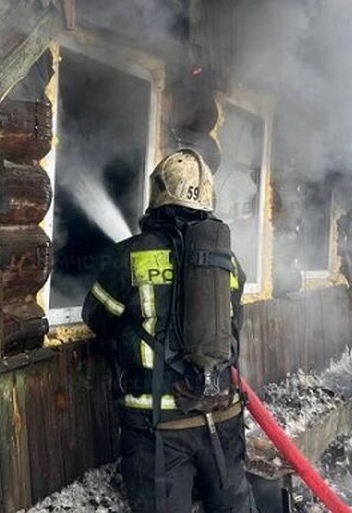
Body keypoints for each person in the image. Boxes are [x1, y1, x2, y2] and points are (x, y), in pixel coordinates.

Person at [83, 149, 255, 513]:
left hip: (159, 426)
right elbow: (234, 325)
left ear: (158, 194)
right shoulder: (228, 261)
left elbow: (96, 318)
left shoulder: (130, 256)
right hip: (222, 414)